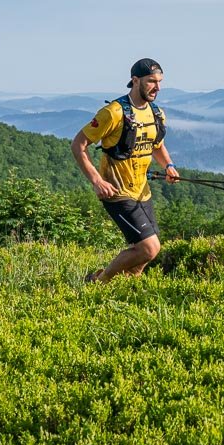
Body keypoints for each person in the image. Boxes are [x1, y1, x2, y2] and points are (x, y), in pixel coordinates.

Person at [72, 58, 180, 283]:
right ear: (135, 80)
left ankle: (122, 288)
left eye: (160, 82)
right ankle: (98, 283)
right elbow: (78, 145)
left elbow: (156, 145)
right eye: (151, 81)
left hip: (142, 192)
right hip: (117, 192)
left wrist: (168, 166)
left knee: (144, 253)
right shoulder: (113, 113)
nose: (157, 88)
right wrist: (97, 181)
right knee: (149, 247)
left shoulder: (157, 113)